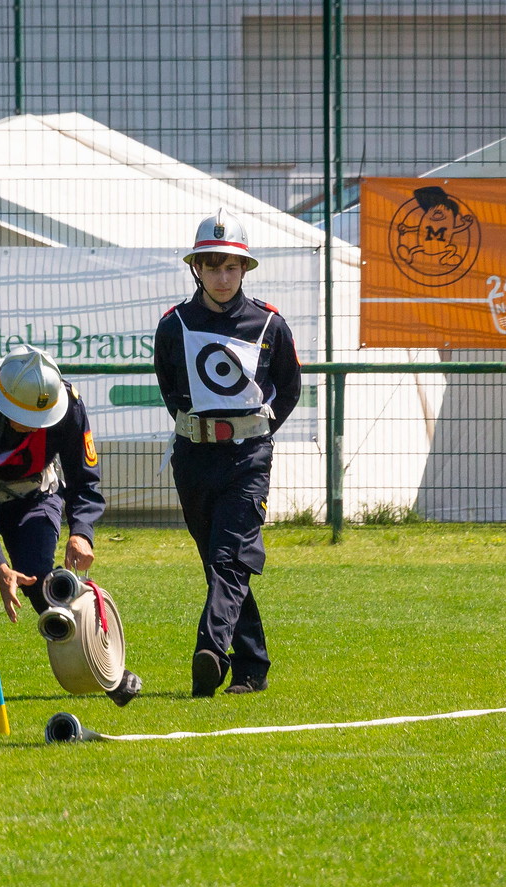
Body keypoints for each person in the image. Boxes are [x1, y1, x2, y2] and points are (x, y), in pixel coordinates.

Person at [0, 344, 110, 745]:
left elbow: (84, 478)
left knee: (43, 582)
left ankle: (109, 673)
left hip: (35, 496)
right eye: (25, 419)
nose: (34, 426)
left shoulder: (69, 405)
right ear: (2, 400)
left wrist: (81, 531)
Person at [155, 215, 301, 697]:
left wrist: (253, 434)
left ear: (244, 269)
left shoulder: (270, 323)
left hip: (248, 460)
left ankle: (212, 652)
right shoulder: (173, 325)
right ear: (197, 268)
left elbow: (289, 389)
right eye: (213, 266)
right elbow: (170, 387)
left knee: (228, 558)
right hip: (192, 458)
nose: (222, 277)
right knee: (222, 564)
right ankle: (252, 667)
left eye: (231, 267)